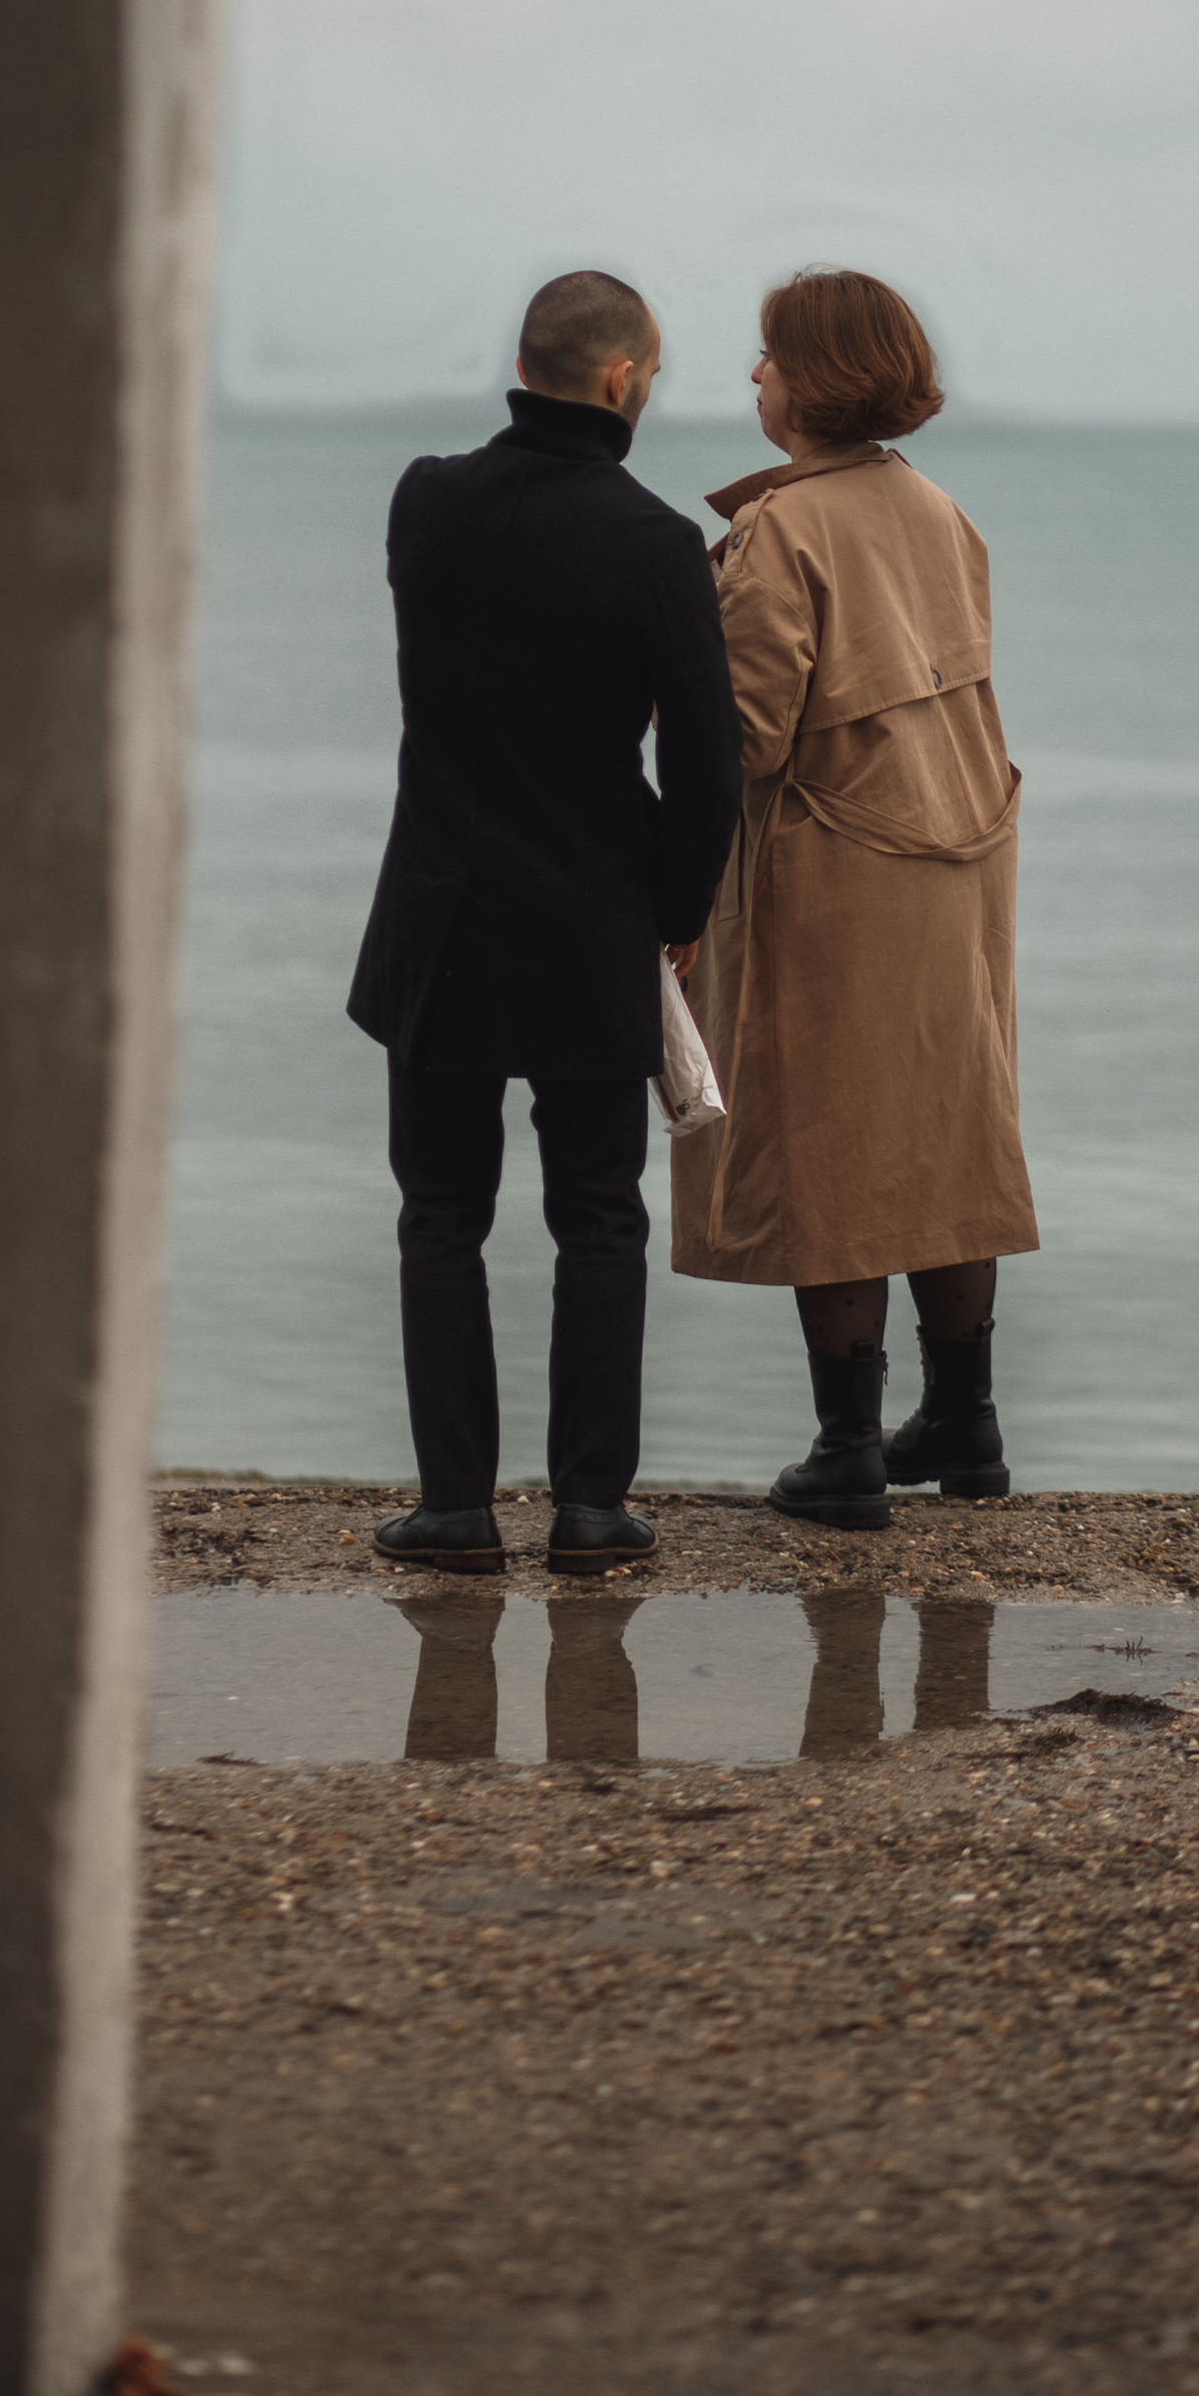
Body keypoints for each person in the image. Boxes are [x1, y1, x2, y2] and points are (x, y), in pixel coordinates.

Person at [347, 271, 741, 1577]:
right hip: (588, 912)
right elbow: (707, 769)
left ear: (527, 363)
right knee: (600, 1216)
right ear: (624, 379)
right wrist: (678, 914)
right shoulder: (657, 545)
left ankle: (455, 1507)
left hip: (443, 910)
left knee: (439, 1215)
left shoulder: (426, 503)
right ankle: (588, 1508)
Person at [669, 269, 1038, 1527]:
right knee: (946, 1127)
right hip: (960, 850)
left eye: (766, 356)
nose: (753, 376)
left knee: (827, 1143)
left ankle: (846, 1448)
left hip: (837, 865)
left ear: (813, 377)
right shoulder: (937, 510)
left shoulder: (785, 529)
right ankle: (963, 1421)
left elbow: (750, 734)